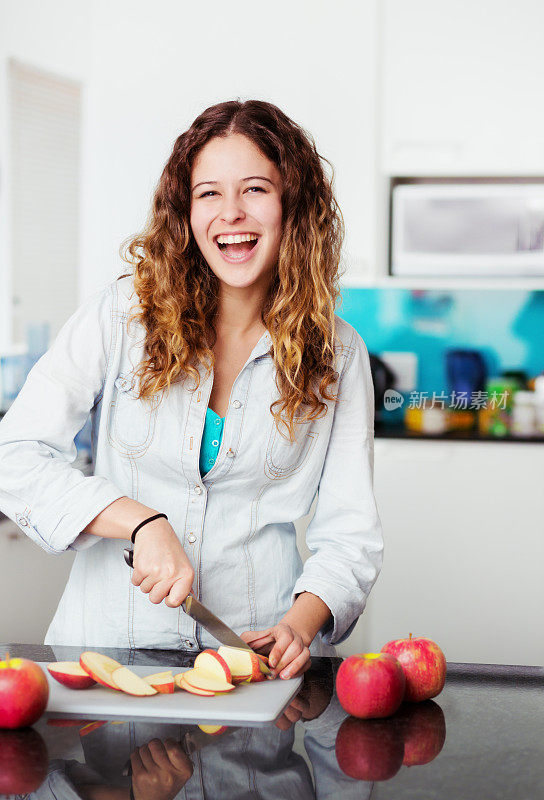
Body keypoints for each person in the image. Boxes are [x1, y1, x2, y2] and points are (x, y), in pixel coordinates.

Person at [0, 99, 383, 680]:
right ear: (185, 212)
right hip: (105, 656)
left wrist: (299, 625)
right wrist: (138, 521)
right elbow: (14, 455)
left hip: (249, 666)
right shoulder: (121, 316)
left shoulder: (339, 354)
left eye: (255, 189)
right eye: (209, 193)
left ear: (292, 207)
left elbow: (349, 536)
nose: (231, 213)